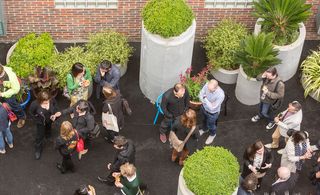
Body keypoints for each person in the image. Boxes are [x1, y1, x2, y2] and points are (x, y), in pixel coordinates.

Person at [29, 90, 58, 160]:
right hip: (41, 122)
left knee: (49, 128)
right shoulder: (34, 104)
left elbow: (55, 106)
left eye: (48, 101)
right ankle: (38, 149)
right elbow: (31, 114)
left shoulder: (51, 100)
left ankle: (48, 135)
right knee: (39, 136)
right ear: (40, 100)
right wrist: (38, 121)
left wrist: (54, 115)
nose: (47, 103)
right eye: (45, 102)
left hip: (50, 119)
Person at [199, 79, 225, 145]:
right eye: (208, 89)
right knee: (203, 120)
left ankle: (213, 135)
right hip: (204, 108)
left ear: (216, 88)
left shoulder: (221, 94)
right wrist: (208, 102)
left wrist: (204, 98)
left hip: (212, 113)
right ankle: (204, 129)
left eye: (211, 90)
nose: (209, 91)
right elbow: (200, 94)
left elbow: (213, 107)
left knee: (211, 125)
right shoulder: (207, 85)